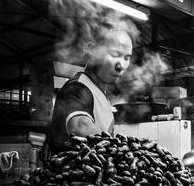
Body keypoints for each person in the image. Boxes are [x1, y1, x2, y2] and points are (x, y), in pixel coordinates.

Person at [50, 20, 135, 152]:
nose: (121, 66)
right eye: (114, 54)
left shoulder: (100, 94)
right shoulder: (77, 88)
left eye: (126, 58)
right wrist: (126, 150)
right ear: (91, 50)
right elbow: (80, 126)